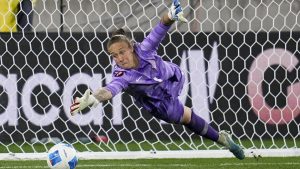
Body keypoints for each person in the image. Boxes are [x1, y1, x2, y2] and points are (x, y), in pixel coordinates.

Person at [70, 0, 245, 160]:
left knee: (181, 95)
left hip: (174, 78)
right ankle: (223, 139)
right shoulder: (122, 76)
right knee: (186, 118)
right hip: (159, 103)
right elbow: (109, 90)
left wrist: (170, 16)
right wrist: (93, 98)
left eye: (122, 52)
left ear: (131, 48)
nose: (119, 58)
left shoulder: (144, 49)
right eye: (114, 56)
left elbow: (160, 28)